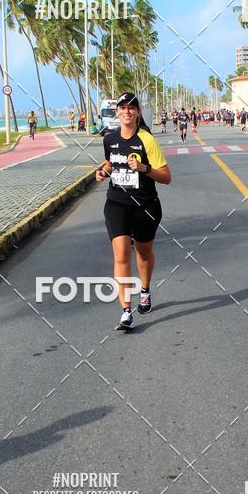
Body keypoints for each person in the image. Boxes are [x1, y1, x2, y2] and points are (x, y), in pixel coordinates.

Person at [96, 93, 172, 330]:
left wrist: (143, 168)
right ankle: (126, 311)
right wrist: (102, 172)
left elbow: (166, 177)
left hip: (145, 205)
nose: (126, 111)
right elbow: (111, 163)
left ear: (137, 112)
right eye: (122, 107)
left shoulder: (146, 140)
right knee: (120, 254)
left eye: (131, 107)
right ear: (117, 111)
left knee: (143, 253)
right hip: (116, 202)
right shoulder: (109, 139)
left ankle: (145, 289)